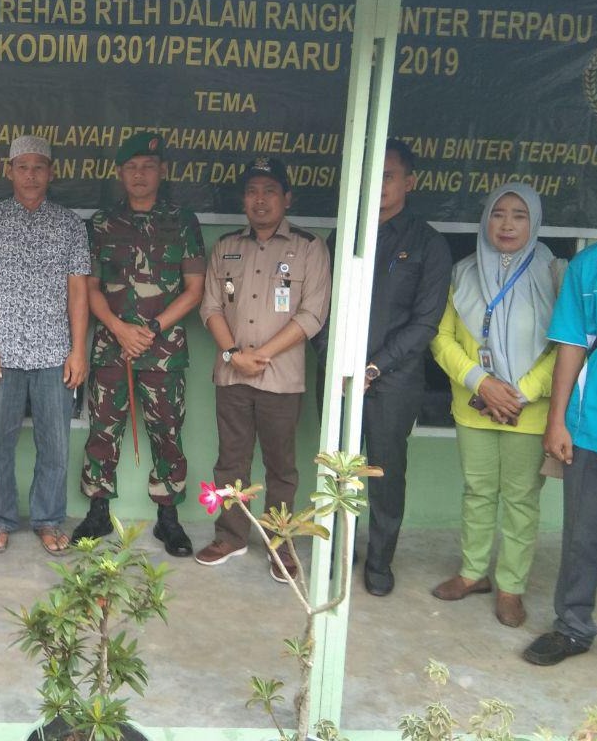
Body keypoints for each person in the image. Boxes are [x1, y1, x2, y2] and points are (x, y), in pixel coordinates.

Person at [430, 183, 561, 628]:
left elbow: (565, 347)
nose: (506, 224)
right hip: (476, 404)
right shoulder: (462, 272)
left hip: (529, 410)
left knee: (521, 500)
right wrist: (482, 382)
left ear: (535, 222)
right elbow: (441, 337)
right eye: (499, 213)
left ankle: (511, 586)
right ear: (485, 218)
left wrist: (518, 392)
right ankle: (472, 574)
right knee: (478, 492)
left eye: (519, 215)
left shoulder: (554, 274)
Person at [196, 155, 331, 582]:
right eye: (252, 191)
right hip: (232, 374)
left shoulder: (310, 247)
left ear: (286, 198)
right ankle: (231, 536)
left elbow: (313, 314)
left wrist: (262, 354)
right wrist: (235, 353)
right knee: (230, 462)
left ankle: (281, 544)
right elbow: (211, 307)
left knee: (281, 467)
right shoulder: (226, 247)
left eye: (270, 190)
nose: (260, 199)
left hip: (281, 379)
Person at [72, 132, 206, 557]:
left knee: (168, 433)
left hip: (163, 351)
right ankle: (98, 510)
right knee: (102, 430)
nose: (139, 174)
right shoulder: (100, 223)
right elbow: (89, 288)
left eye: (148, 166)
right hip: (112, 349)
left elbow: (195, 288)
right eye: (131, 167)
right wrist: (118, 328)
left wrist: (150, 327)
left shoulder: (183, 221)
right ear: (119, 174)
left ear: (161, 171)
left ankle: (169, 518)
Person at [0, 134, 89, 556]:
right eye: (23, 167)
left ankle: (48, 518)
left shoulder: (71, 225)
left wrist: (77, 350)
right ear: (9, 172)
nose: (31, 175)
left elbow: (78, 292)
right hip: (3, 350)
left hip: (55, 352)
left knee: (54, 442)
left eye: (39, 167)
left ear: (51, 173)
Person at [353, 139, 452, 596]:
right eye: (373, 174)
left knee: (385, 470)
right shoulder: (347, 235)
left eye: (389, 176)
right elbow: (320, 307)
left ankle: (379, 562)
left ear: (409, 183)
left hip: (394, 381)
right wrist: (331, 357)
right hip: (340, 378)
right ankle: (336, 552)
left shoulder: (427, 243)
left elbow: (426, 322)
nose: (380, 186)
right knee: (337, 468)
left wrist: (374, 367)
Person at [522, 235, 597, 665]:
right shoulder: (589, 266)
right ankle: (574, 627)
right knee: (583, 536)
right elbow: (572, 346)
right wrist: (556, 420)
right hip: (593, 425)